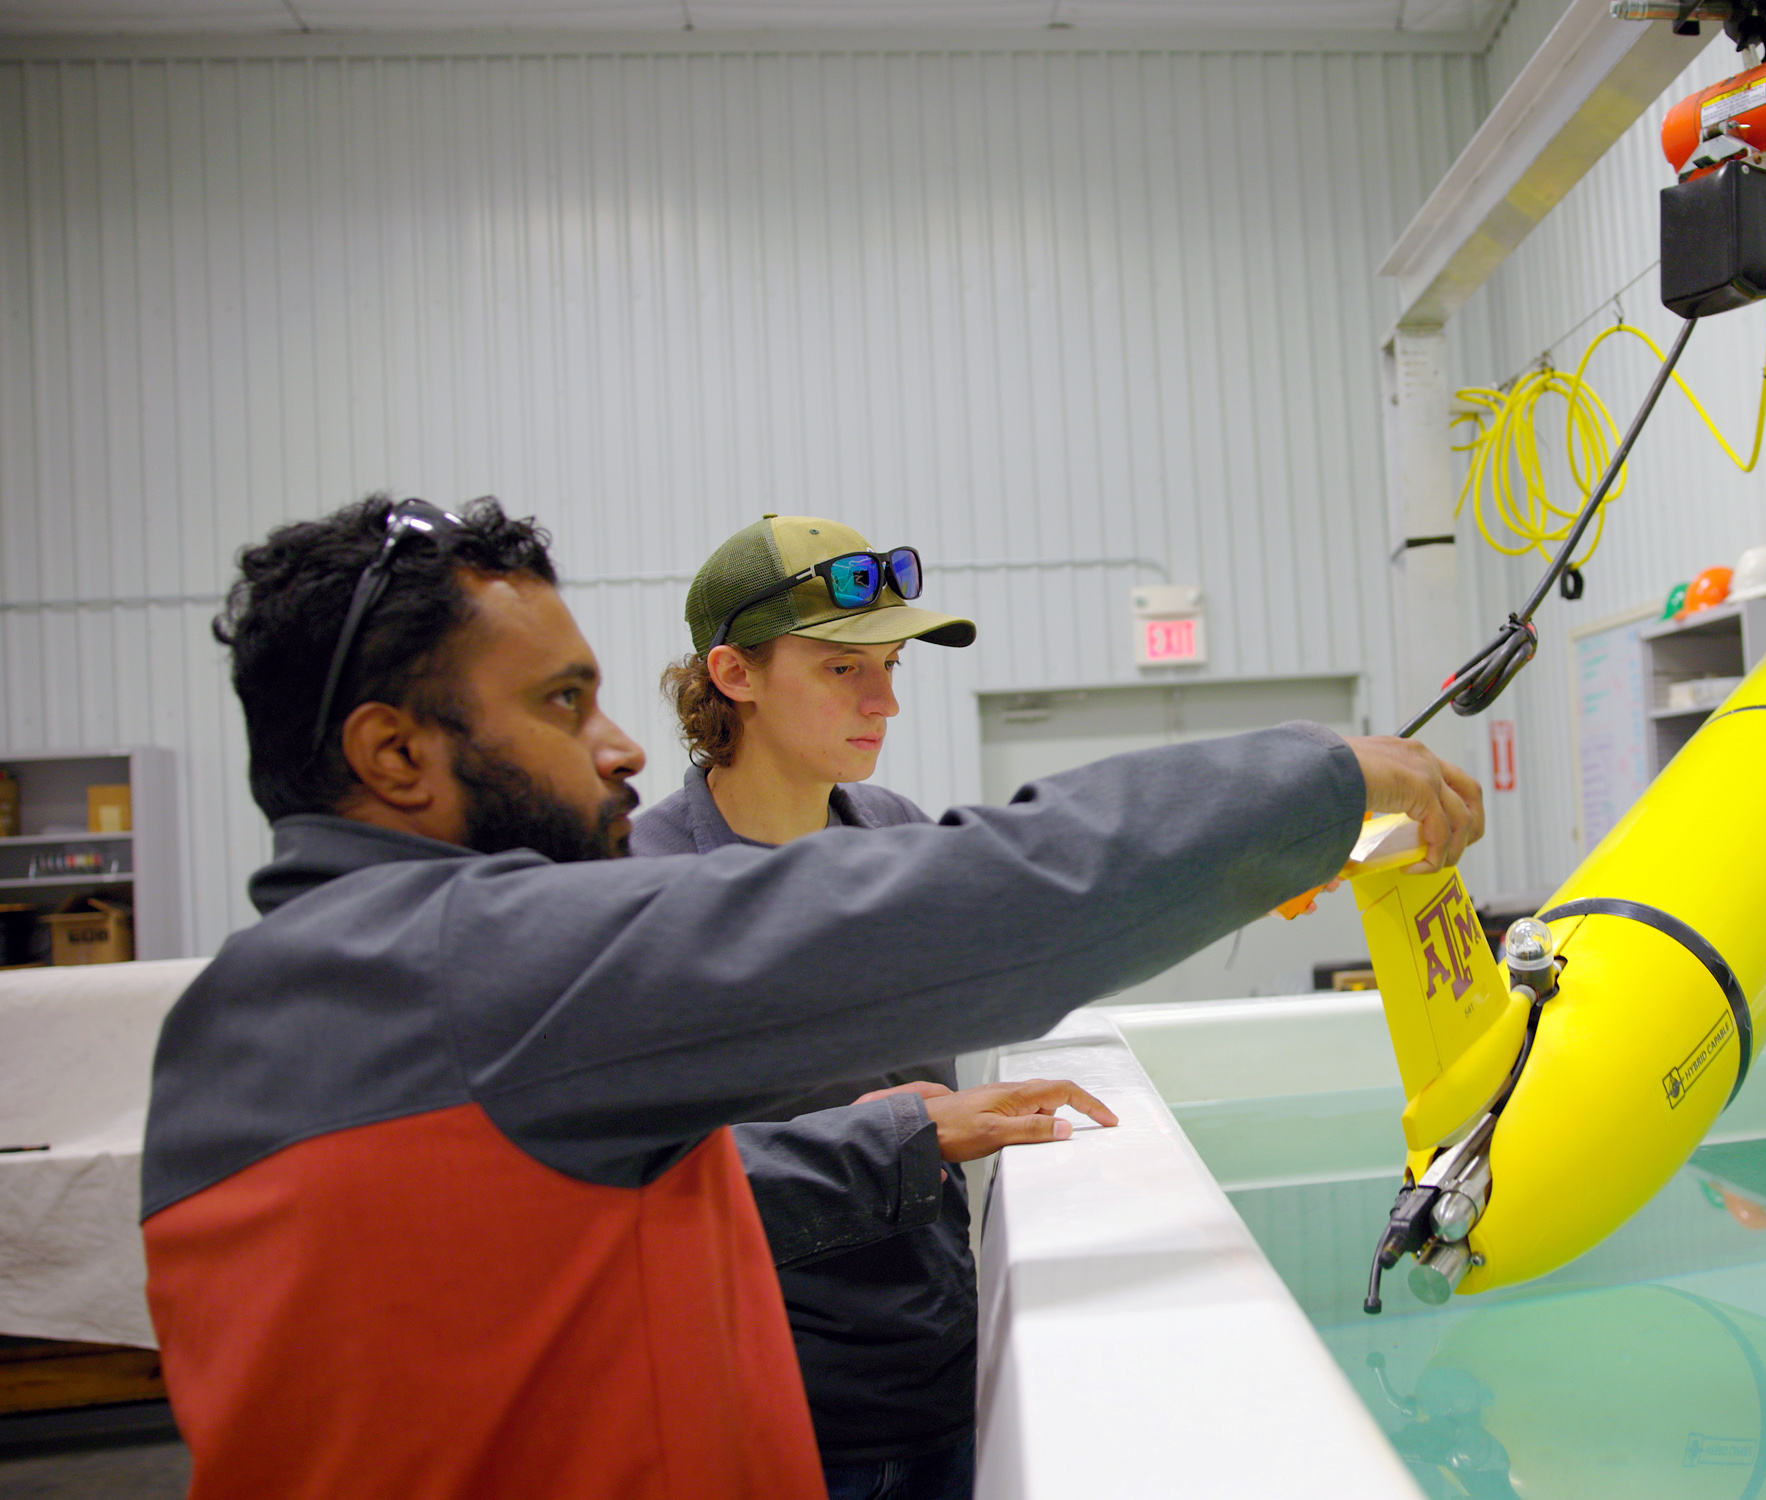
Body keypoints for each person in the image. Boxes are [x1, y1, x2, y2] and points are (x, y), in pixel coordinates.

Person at [143, 494, 1482, 1500]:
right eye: (561, 706)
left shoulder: (277, 1007)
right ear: (392, 752)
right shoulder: (466, 970)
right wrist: (1322, 783)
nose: (614, 750)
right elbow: (996, 898)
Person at [635, 515, 1092, 1500]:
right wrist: (905, 1137)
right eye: (843, 668)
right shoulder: (635, 888)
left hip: (943, 1376)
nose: (884, 701)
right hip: (778, 1412)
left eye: (889, 664)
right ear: (734, 674)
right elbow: (637, 1184)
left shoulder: (891, 832)